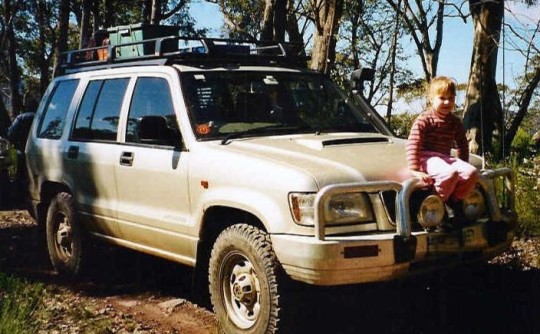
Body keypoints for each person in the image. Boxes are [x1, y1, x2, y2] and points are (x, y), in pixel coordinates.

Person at [406, 76, 479, 220]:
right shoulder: (425, 119)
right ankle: (437, 202)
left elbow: (462, 144)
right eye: (442, 98)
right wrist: (414, 169)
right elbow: (413, 142)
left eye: (451, 98)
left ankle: (455, 201)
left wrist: (463, 163)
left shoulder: (454, 122)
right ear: (431, 98)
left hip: (444, 158)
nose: (447, 102)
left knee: (472, 172)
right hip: (427, 157)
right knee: (449, 173)